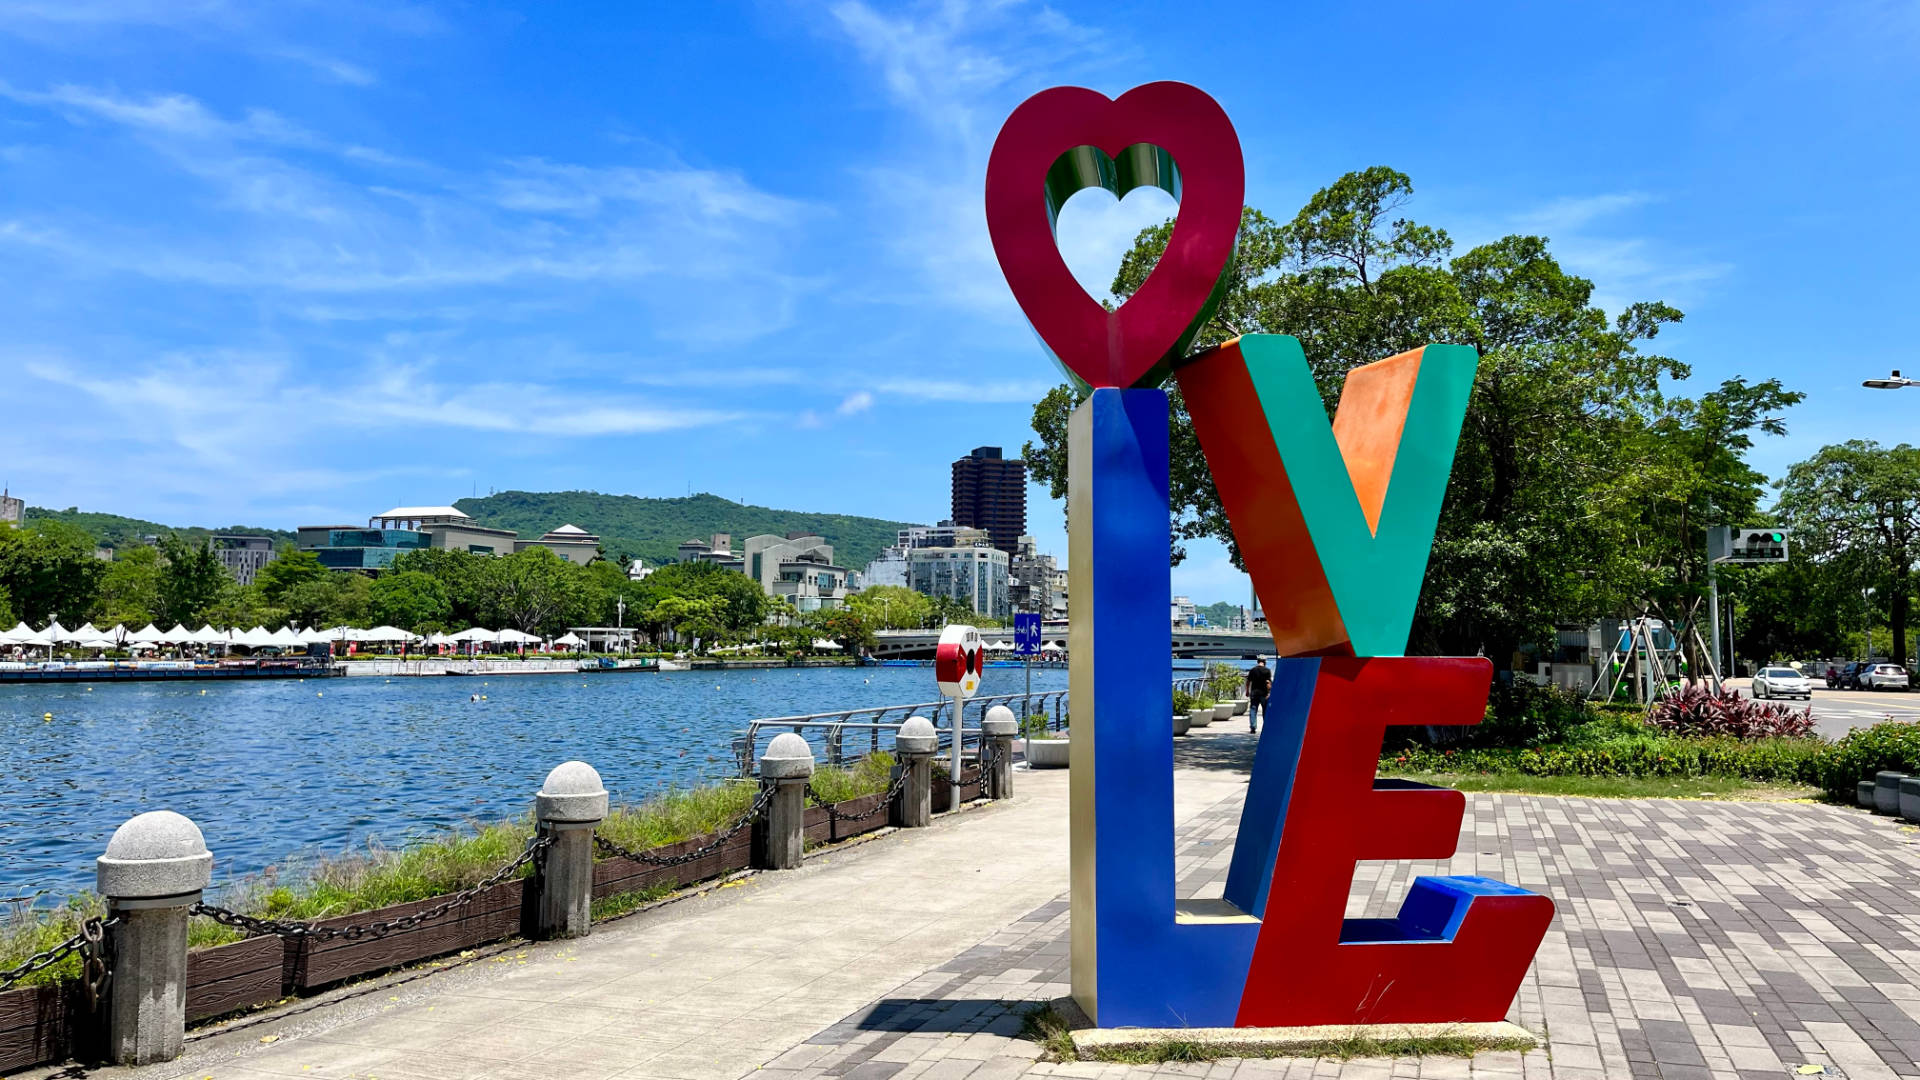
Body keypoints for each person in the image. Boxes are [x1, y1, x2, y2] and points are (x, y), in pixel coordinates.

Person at [1244, 658, 1272, 733]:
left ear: (1258, 662)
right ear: (1264, 662)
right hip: (1264, 693)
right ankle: (1266, 727)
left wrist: (1247, 691)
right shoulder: (1267, 670)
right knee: (1265, 710)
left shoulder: (1253, 670)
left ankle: (1253, 727)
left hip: (1254, 693)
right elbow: (1268, 683)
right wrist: (1269, 693)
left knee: (1253, 710)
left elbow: (1248, 681)